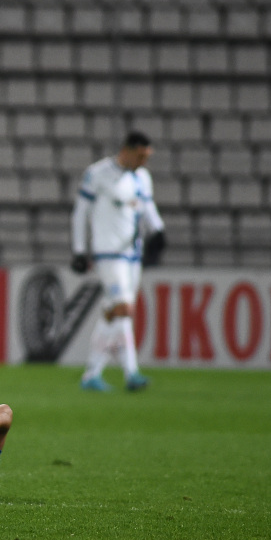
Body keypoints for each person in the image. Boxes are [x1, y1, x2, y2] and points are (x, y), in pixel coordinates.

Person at [70, 131, 166, 392]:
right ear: (127, 150)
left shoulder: (142, 177)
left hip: (133, 256)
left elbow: (147, 209)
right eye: (141, 155)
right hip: (108, 254)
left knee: (118, 315)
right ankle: (114, 372)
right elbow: (81, 212)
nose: (144, 161)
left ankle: (112, 374)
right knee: (124, 309)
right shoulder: (98, 174)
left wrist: (158, 231)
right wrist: (79, 249)